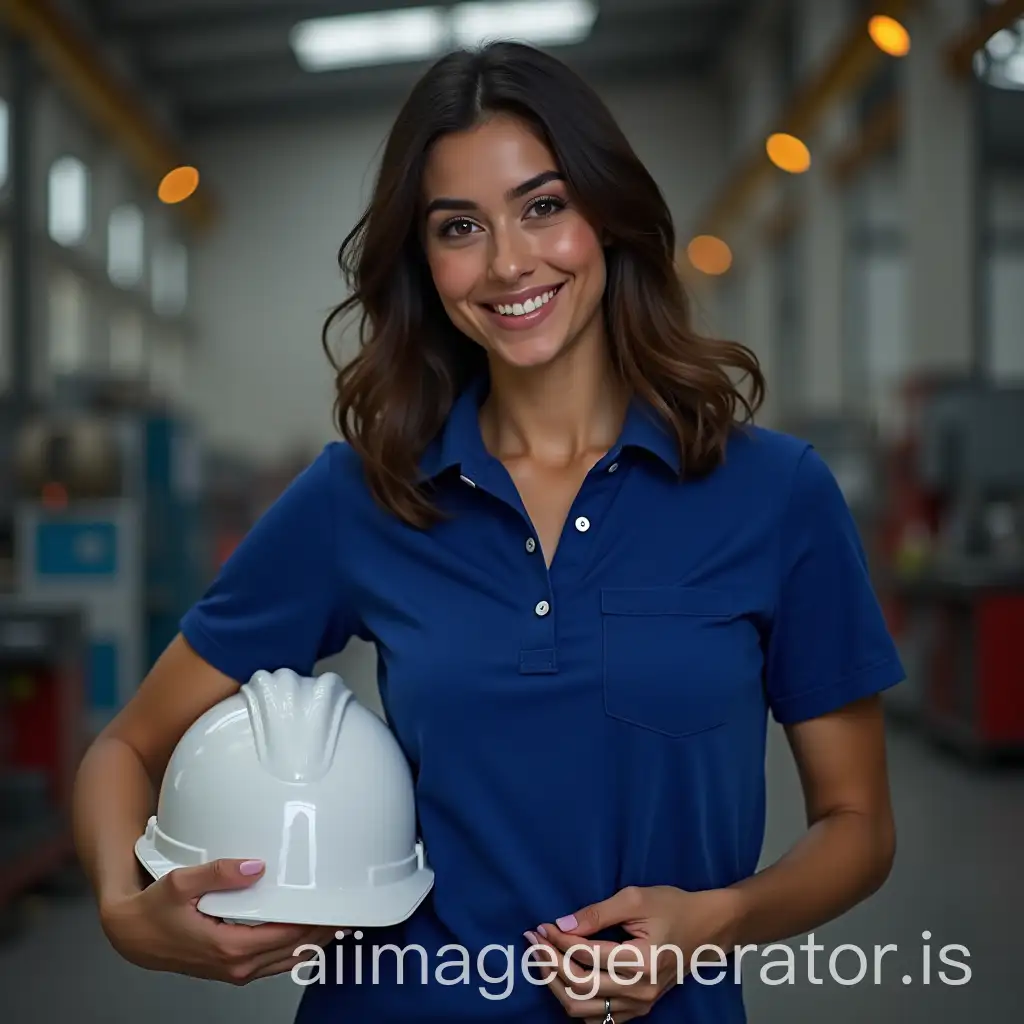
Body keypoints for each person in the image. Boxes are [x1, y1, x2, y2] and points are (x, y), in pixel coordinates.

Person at [73, 40, 904, 1024]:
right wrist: (130, 915)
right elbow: (125, 747)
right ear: (423, 261)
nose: (509, 261)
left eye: (543, 205)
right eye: (459, 226)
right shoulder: (365, 493)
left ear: (607, 214)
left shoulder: (773, 493)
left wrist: (715, 920)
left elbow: (857, 825)